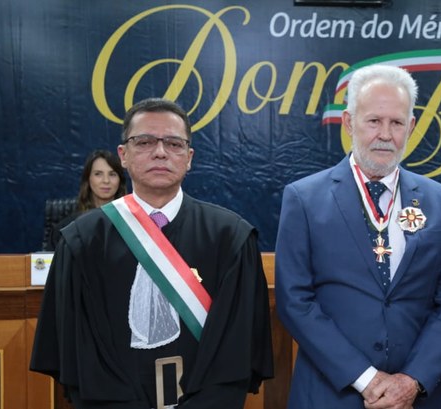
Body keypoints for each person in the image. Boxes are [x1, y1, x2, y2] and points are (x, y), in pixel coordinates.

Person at [31, 98, 273, 408]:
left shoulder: (231, 238)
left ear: (189, 158)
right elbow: (78, 353)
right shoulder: (83, 241)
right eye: (144, 141)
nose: (160, 151)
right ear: (124, 155)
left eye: (173, 143)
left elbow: (237, 350)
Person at [275, 64, 441, 409]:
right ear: (349, 123)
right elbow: (295, 301)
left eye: (396, 123)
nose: (385, 134)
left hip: (418, 397)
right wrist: (368, 379)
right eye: (373, 121)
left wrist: (411, 381)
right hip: (331, 395)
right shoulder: (304, 199)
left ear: (410, 127)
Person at [46, 149, 128, 251]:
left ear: (120, 181)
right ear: (88, 179)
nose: (106, 181)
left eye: (112, 174)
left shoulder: (131, 224)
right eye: (98, 174)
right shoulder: (68, 226)